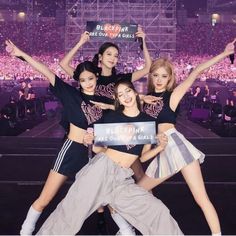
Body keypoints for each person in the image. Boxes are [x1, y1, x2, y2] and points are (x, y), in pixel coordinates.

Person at [36, 79, 183, 235]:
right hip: (100, 171)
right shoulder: (112, 117)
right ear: (118, 99)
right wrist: (90, 142)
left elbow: (142, 157)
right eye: (120, 95)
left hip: (122, 178)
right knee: (69, 214)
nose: (125, 96)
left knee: (157, 210)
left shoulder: (147, 122)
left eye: (127, 91)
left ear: (134, 92)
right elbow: (99, 148)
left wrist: (160, 147)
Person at [5, 40, 110, 235]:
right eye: (83, 80)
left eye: (90, 78)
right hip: (72, 150)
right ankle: (25, 231)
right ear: (78, 81)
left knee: (109, 194)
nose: (87, 83)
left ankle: (122, 228)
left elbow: (125, 109)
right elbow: (45, 70)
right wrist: (20, 53)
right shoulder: (70, 94)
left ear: (96, 77)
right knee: (46, 198)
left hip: (95, 152)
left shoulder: (104, 101)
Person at [59, 27, 157, 233]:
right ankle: (102, 215)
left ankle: (142, 216)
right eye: (109, 54)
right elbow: (64, 65)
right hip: (94, 135)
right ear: (100, 57)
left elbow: (147, 68)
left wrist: (143, 41)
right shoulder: (90, 76)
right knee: (96, 177)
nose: (113, 58)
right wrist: (80, 42)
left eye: (116, 55)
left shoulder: (120, 80)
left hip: (118, 135)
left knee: (136, 176)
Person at [138, 39, 236, 235]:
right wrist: (140, 98)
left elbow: (196, 71)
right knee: (137, 191)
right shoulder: (145, 100)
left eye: (163, 76)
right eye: (155, 75)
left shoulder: (172, 96)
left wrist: (224, 54)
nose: (159, 79)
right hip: (159, 148)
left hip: (176, 147)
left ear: (169, 78)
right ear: (151, 76)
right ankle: (146, 228)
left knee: (201, 198)